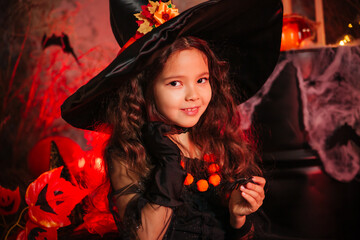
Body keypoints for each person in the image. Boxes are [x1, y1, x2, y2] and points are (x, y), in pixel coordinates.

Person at [61, 0, 283, 239]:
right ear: (144, 90)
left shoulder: (217, 143)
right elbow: (145, 236)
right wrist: (169, 164)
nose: (193, 96)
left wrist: (238, 218)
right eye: (175, 83)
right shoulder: (129, 152)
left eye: (202, 80)